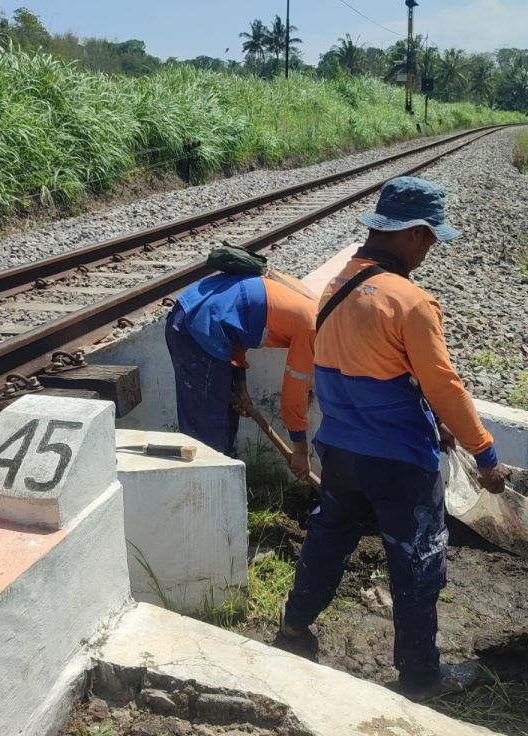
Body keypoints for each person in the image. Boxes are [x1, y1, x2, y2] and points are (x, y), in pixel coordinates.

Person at [275, 176, 508, 701]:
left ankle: (293, 625)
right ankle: (422, 677)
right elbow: (443, 385)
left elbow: (366, 370)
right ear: (413, 235)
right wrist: (485, 454)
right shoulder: (411, 301)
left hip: (340, 450)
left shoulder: (336, 285)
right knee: (417, 560)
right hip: (399, 462)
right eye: (428, 239)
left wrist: (435, 417)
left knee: (329, 536)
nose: (428, 250)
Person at [165, 263, 317, 481]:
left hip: (212, 322)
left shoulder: (312, 302)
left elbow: (239, 325)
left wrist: (241, 385)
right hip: (197, 326)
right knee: (208, 433)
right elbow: (294, 396)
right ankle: (205, 498)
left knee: (226, 420)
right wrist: (300, 451)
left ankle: (227, 488)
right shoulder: (312, 327)